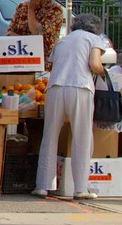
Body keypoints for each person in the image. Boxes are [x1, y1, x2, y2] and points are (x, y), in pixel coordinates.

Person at [33, 13, 108, 200]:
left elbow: (53, 65)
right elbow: (94, 64)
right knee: (82, 137)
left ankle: (42, 186)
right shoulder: (94, 39)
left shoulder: (63, 41)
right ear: (95, 28)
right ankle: (80, 188)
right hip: (80, 88)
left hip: (55, 88)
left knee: (50, 135)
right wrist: (103, 72)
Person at [7, 0, 65, 64]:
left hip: (42, 64)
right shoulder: (21, 7)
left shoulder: (55, 10)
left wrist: (31, 10)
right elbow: (9, 33)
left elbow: (37, 33)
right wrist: (27, 42)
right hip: (20, 62)